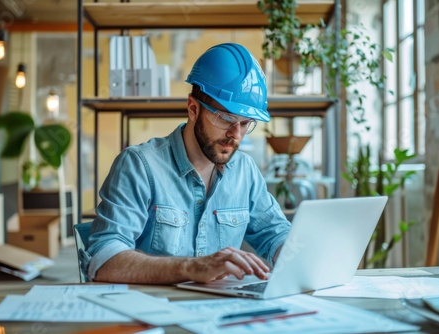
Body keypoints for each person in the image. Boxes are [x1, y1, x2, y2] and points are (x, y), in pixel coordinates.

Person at [82, 42, 291, 284]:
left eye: (245, 123)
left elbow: (276, 234)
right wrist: (191, 267)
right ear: (193, 108)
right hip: (153, 313)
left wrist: (299, 254)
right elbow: (103, 260)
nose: (236, 134)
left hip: (220, 311)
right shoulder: (139, 165)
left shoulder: (245, 170)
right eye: (226, 118)